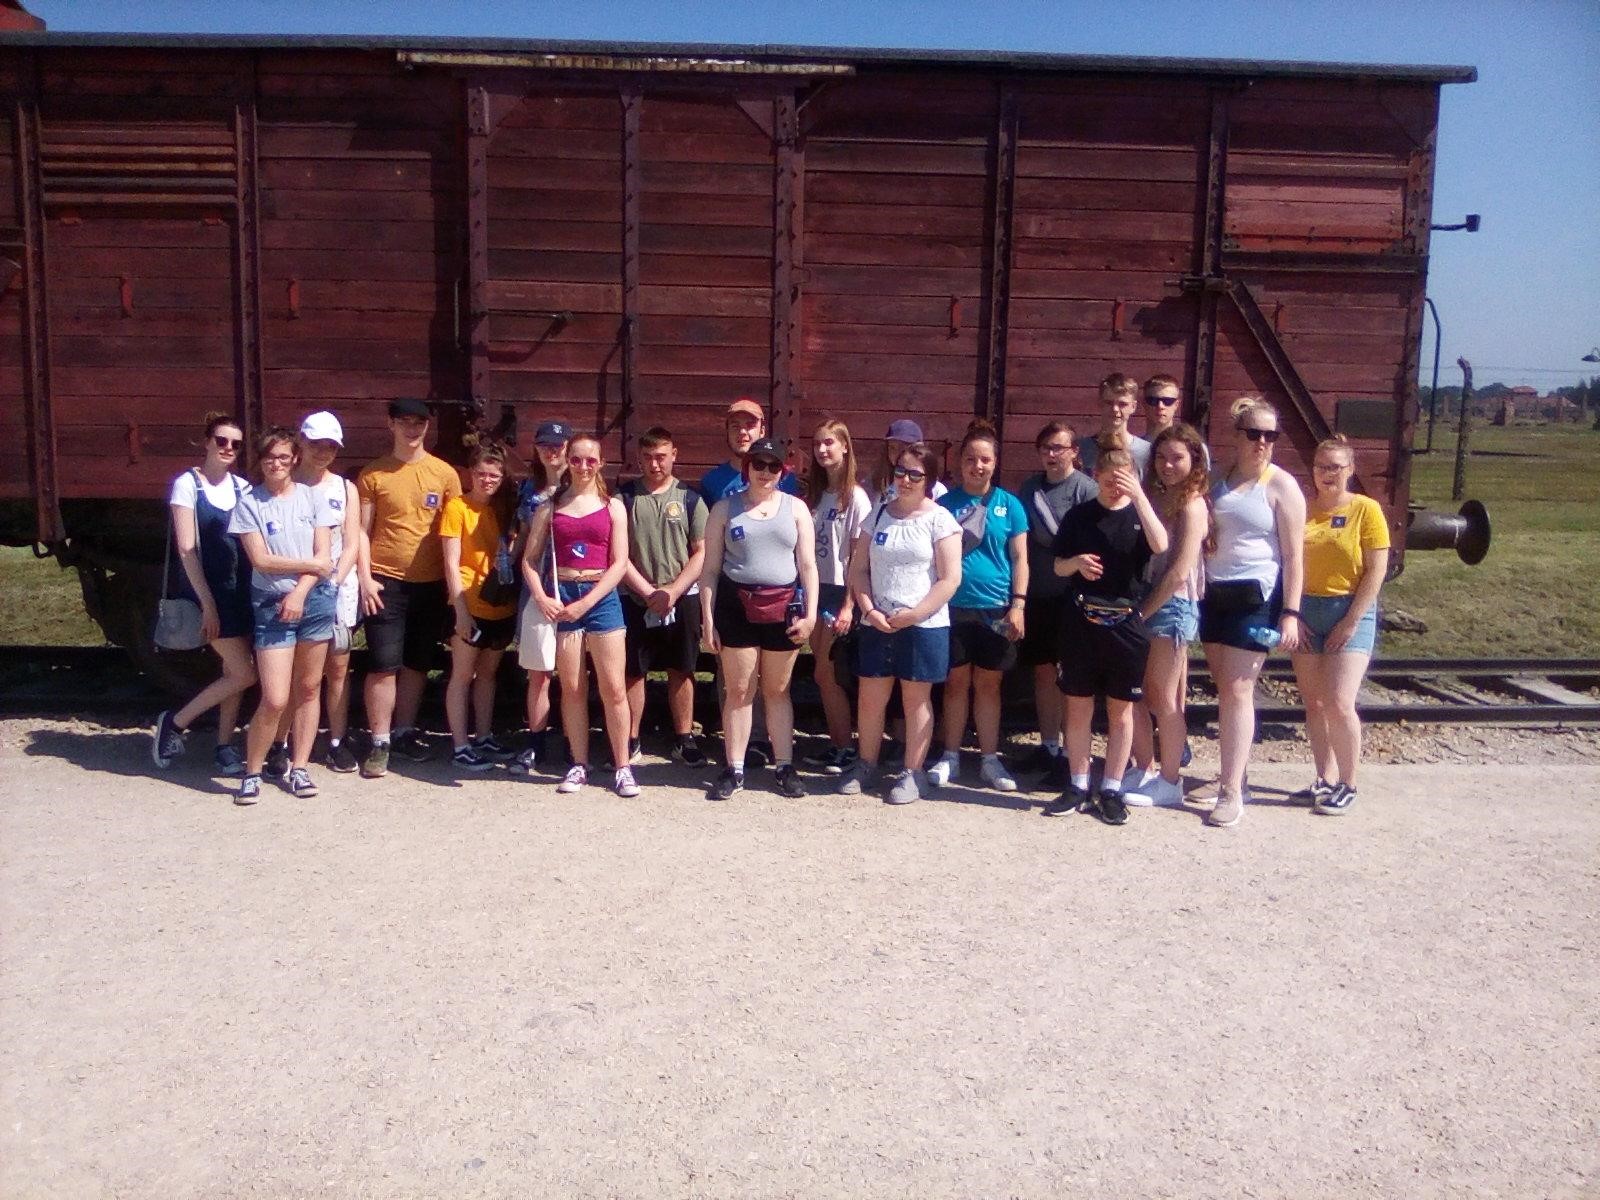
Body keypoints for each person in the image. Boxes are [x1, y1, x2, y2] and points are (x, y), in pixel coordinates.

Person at [1045, 434, 1169, 824]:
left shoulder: (1139, 515)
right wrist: (1076, 563)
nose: (1116, 484)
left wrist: (1140, 497)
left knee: (1121, 710)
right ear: (1096, 475)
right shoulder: (1079, 516)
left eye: (1124, 477)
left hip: (1126, 621)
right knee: (1078, 705)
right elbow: (1057, 565)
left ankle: (1112, 788)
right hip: (1081, 619)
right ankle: (1078, 784)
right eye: (1110, 477)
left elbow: (1161, 545)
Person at [1199, 397, 1306, 828]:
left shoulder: (1281, 486)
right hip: (1214, 593)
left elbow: (1294, 556)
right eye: (1254, 433)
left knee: (1239, 689)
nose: (1263, 442)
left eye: (1270, 435)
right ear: (1237, 435)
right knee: (1224, 688)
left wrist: (1290, 612)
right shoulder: (1218, 480)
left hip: (1256, 596)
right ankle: (1234, 773)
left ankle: (1231, 792)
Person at [841, 441, 962, 804]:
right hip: (877, 622)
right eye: (900, 472)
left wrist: (916, 614)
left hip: (924, 625)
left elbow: (950, 579)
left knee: (916, 700)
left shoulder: (941, 520)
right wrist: (869, 610)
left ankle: (913, 772)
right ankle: (866, 764)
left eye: (915, 474)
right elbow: (858, 570)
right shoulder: (878, 512)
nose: (905, 480)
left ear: (929, 480)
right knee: (870, 698)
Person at [699, 437, 818, 801]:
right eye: (759, 464)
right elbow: (710, 570)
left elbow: (808, 565)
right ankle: (734, 768)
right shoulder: (724, 509)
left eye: (773, 466)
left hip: (783, 608)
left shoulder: (796, 509)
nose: (765, 472)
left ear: (782, 471)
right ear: (747, 467)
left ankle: (784, 766)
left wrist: (811, 614)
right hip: (736, 608)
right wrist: (708, 619)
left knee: (778, 691)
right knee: (738, 691)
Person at [227, 427, 340, 805]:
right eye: (269, 457)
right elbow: (261, 560)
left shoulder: (313, 498)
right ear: (260, 461)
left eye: (283, 457)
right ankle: (252, 771)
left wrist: (300, 590)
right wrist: (309, 568)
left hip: (314, 599)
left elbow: (324, 558)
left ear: (294, 460)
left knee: (307, 688)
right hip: (271, 604)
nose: (276, 464)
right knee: (275, 697)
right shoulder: (249, 504)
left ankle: (300, 766)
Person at [354, 397, 462, 778]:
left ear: (427, 426)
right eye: (405, 422)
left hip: (431, 584)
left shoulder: (444, 474)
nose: (412, 429)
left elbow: (454, 532)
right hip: (385, 582)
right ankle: (379, 741)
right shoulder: (374, 474)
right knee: (383, 664)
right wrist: (365, 578)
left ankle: (403, 732)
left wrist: (454, 585)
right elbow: (361, 532)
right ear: (391, 425)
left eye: (419, 422)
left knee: (418, 663)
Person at [523, 434, 636, 796]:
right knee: (572, 687)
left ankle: (622, 766)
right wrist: (541, 596)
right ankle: (579, 763)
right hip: (562, 597)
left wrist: (587, 603)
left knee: (614, 687)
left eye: (591, 460)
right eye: (576, 459)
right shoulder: (549, 507)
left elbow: (620, 563)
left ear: (601, 463)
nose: (583, 466)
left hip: (601, 599)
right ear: (567, 461)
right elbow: (529, 560)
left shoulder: (613, 507)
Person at [1290, 434, 1390, 814]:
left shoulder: (1366, 509)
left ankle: (1349, 783)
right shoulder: (1304, 509)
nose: (1327, 474)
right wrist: (1293, 613)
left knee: (1339, 701)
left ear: (1350, 469)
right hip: (1307, 609)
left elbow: (1376, 570)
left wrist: (1352, 620)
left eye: (1335, 467)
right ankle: (1324, 777)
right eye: (1321, 466)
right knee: (1314, 702)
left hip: (1349, 608)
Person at [151, 413, 257, 775]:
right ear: (207, 442)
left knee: (233, 670)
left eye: (235, 444)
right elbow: (187, 550)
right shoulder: (187, 485)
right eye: (222, 441)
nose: (228, 448)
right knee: (244, 673)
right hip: (206, 592)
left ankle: (224, 746)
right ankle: (175, 722)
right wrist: (207, 603)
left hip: (240, 589)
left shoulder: (242, 488)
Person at [929, 419, 1029, 793]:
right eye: (971, 459)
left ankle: (989, 759)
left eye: (985, 459)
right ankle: (950, 756)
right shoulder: (944, 505)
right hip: (952, 607)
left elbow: (1020, 558)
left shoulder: (1010, 505)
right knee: (955, 684)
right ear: (960, 462)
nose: (978, 466)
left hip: (996, 608)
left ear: (995, 462)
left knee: (989, 685)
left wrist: (1018, 605)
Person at [261, 411, 362, 778]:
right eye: (317, 444)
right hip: (291, 588)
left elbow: (351, 541)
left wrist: (334, 581)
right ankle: (280, 743)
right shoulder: (287, 485)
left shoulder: (345, 489)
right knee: (295, 674)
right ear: (301, 442)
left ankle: (336, 741)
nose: (324, 452)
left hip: (334, 588)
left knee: (336, 669)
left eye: (331, 446)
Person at [1128, 423, 1211, 809]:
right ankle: (1144, 767)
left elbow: (1179, 571)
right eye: (1160, 457)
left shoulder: (1192, 505)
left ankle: (1171, 779)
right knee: (1140, 692)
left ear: (1194, 460)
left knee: (1163, 696)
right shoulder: (1157, 497)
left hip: (1172, 605)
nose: (1167, 465)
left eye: (1177, 458)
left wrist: (1142, 612)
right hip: (1148, 601)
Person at [1013, 420, 1097, 788]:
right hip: (1039, 594)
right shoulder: (1029, 488)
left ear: (1074, 452)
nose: (1051, 454)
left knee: (1071, 676)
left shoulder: (1086, 490)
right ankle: (1048, 746)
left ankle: (1070, 754)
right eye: (1046, 448)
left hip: (1073, 596)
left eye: (1059, 448)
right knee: (1043, 672)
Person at [619, 426, 709, 768]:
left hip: (681, 596)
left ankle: (684, 738)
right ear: (639, 458)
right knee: (633, 670)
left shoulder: (690, 498)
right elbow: (618, 554)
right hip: (635, 597)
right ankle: (630, 738)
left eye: (661, 457)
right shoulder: (624, 499)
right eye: (648, 457)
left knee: (682, 669)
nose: (655, 464)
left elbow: (701, 552)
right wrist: (646, 591)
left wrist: (673, 590)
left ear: (674, 455)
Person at [440, 441, 518, 771]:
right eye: (482, 474)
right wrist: (460, 611)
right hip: (469, 602)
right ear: (471, 473)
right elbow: (450, 562)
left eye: (494, 476)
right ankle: (460, 745)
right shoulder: (457, 507)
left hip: (499, 603)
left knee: (487, 675)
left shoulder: (503, 509)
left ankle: (484, 736)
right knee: (462, 675)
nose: (487, 480)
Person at [801, 418, 871, 774]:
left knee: (828, 673)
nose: (822, 449)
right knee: (822, 674)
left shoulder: (855, 497)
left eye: (829, 442)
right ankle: (838, 744)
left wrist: (849, 605)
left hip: (841, 591)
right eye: (817, 444)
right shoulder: (815, 495)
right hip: (815, 589)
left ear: (845, 446)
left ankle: (847, 748)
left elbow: (858, 557)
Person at [511, 420, 570, 775]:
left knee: (575, 674)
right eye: (545, 445)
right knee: (539, 673)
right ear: (536, 449)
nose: (552, 451)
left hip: (574, 590)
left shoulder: (581, 488)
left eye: (558, 445)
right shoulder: (528, 490)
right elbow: (521, 539)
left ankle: (573, 743)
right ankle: (535, 743)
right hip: (537, 589)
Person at [698, 398, 803, 504]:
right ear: (727, 432)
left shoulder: (784, 479)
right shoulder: (712, 481)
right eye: (735, 426)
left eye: (750, 425)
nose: (742, 432)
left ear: (762, 432)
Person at [1078, 373, 1152, 478]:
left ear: (1133, 407)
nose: (1115, 409)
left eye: (1122, 404)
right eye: (1109, 403)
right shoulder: (1081, 448)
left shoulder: (1146, 451)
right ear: (1100, 403)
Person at [868, 418, 949, 503]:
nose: (897, 453)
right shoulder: (880, 485)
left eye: (903, 448)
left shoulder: (937, 490)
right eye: (892, 447)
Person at [1141, 373, 1211, 470]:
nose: (1160, 406)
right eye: (1153, 400)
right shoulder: (1132, 448)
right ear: (1144, 404)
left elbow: (1202, 479)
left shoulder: (1196, 448)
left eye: (1168, 401)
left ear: (1176, 405)